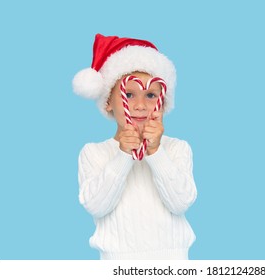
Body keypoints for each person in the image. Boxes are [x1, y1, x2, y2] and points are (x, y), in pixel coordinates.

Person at [72, 34, 197, 260]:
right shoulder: (93, 153)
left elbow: (180, 203)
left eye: (150, 95)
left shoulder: (178, 148)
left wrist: (156, 153)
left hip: (174, 262)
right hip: (117, 264)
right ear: (108, 102)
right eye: (129, 94)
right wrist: (122, 156)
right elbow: (97, 206)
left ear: (163, 101)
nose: (140, 105)